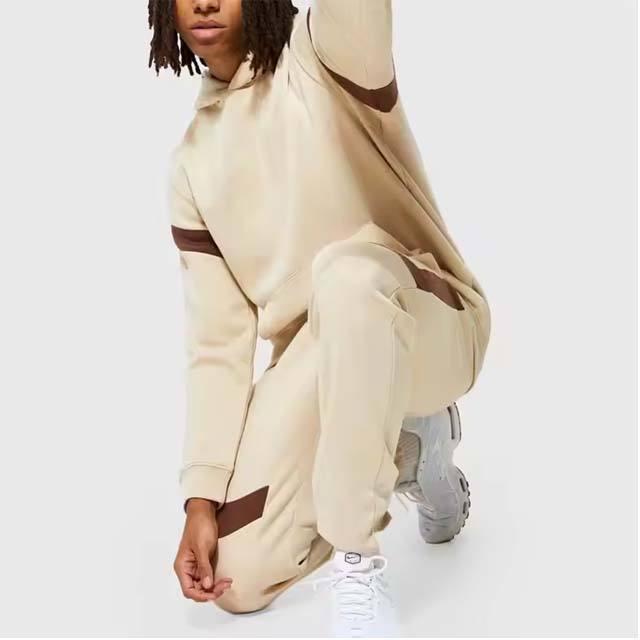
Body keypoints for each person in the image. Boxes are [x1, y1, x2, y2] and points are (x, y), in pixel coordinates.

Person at [148, 0, 491, 636]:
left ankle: (358, 563)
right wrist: (201, 497)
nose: (204, 2)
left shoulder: (324, 51)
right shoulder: (191, 166)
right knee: (237, 578)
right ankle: (412, 446)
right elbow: (218, 347)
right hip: (324, 363)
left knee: (346, 276)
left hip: (428, 321)